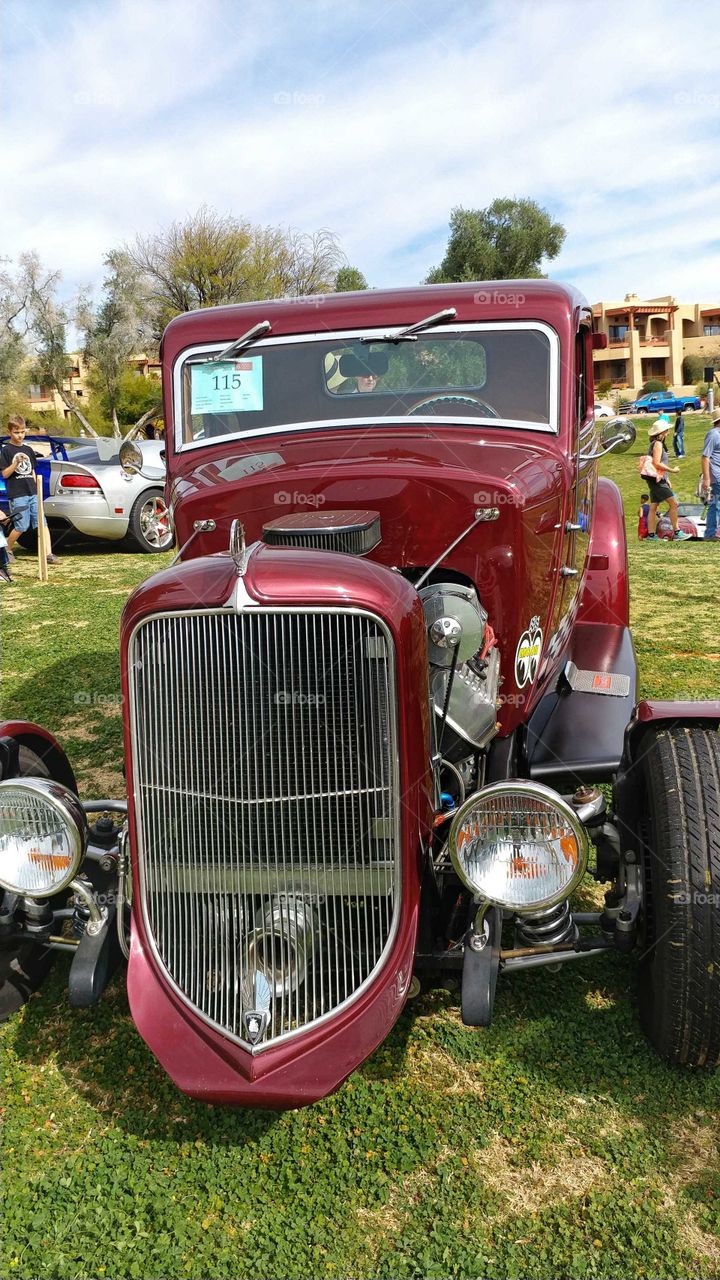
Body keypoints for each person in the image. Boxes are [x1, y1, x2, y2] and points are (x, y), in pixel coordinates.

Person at [0, 414, 58, 563]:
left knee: (42, 523)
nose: (20, 435)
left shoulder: (28, 450)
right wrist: (16, 464)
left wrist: (36, 489)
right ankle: (7, 550)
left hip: (32, 492)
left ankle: (49, 554)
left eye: (22, 432)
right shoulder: (6, 451)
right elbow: (5, 474)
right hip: (18, 494)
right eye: (16, 432)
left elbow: (32, 471)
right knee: (21, 526)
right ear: (10, 433)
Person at [643, 418, 690, 541]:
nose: (668, 432)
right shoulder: (657, 444)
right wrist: (672, 470)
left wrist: (667, 478)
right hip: (658, 481)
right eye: (667, 430)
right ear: (662, 432)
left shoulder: (655, 444)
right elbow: (657, 463)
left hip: (655, 480)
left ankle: (651, 535)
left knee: (653, 508)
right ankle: (677, 532)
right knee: (674, 504)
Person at [701, 412, 720, 541]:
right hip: (717, 476)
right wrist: (707, 479)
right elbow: (705, 457)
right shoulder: (713, 434)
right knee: (715, 504)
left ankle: (712, 533)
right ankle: (710, 534)